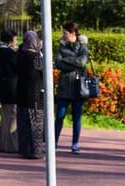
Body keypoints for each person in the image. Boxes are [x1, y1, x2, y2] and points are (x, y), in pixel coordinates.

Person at [54, 22, 90, 155]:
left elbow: (82, 62)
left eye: (65, 33)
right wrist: (73, 62)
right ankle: (54, 143)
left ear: (73, 33)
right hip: (64, 87)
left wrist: (66, 61)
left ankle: (75, 144)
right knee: (59, 116)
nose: (63, 35)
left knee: (77, 117)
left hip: (78, 87)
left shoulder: (83, 46)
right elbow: (58, 63)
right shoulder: (61, 46)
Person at [14, 30, 47, 160]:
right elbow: (44, 74)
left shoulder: (20, 55)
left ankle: (24, 149)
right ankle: (36, 151)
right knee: (36, 124)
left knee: (23, 123)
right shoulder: (36, 57)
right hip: (34, 95)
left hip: (22, 94)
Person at [0, 29, 19, 155]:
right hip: (12, 89)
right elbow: (17, 68)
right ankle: (12, 145)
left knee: (5, 118)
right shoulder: (10, 53)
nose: (16, 42)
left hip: (2, 88)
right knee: (13, 117)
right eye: (15, 39)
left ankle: (2, 143)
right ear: (10, 41)